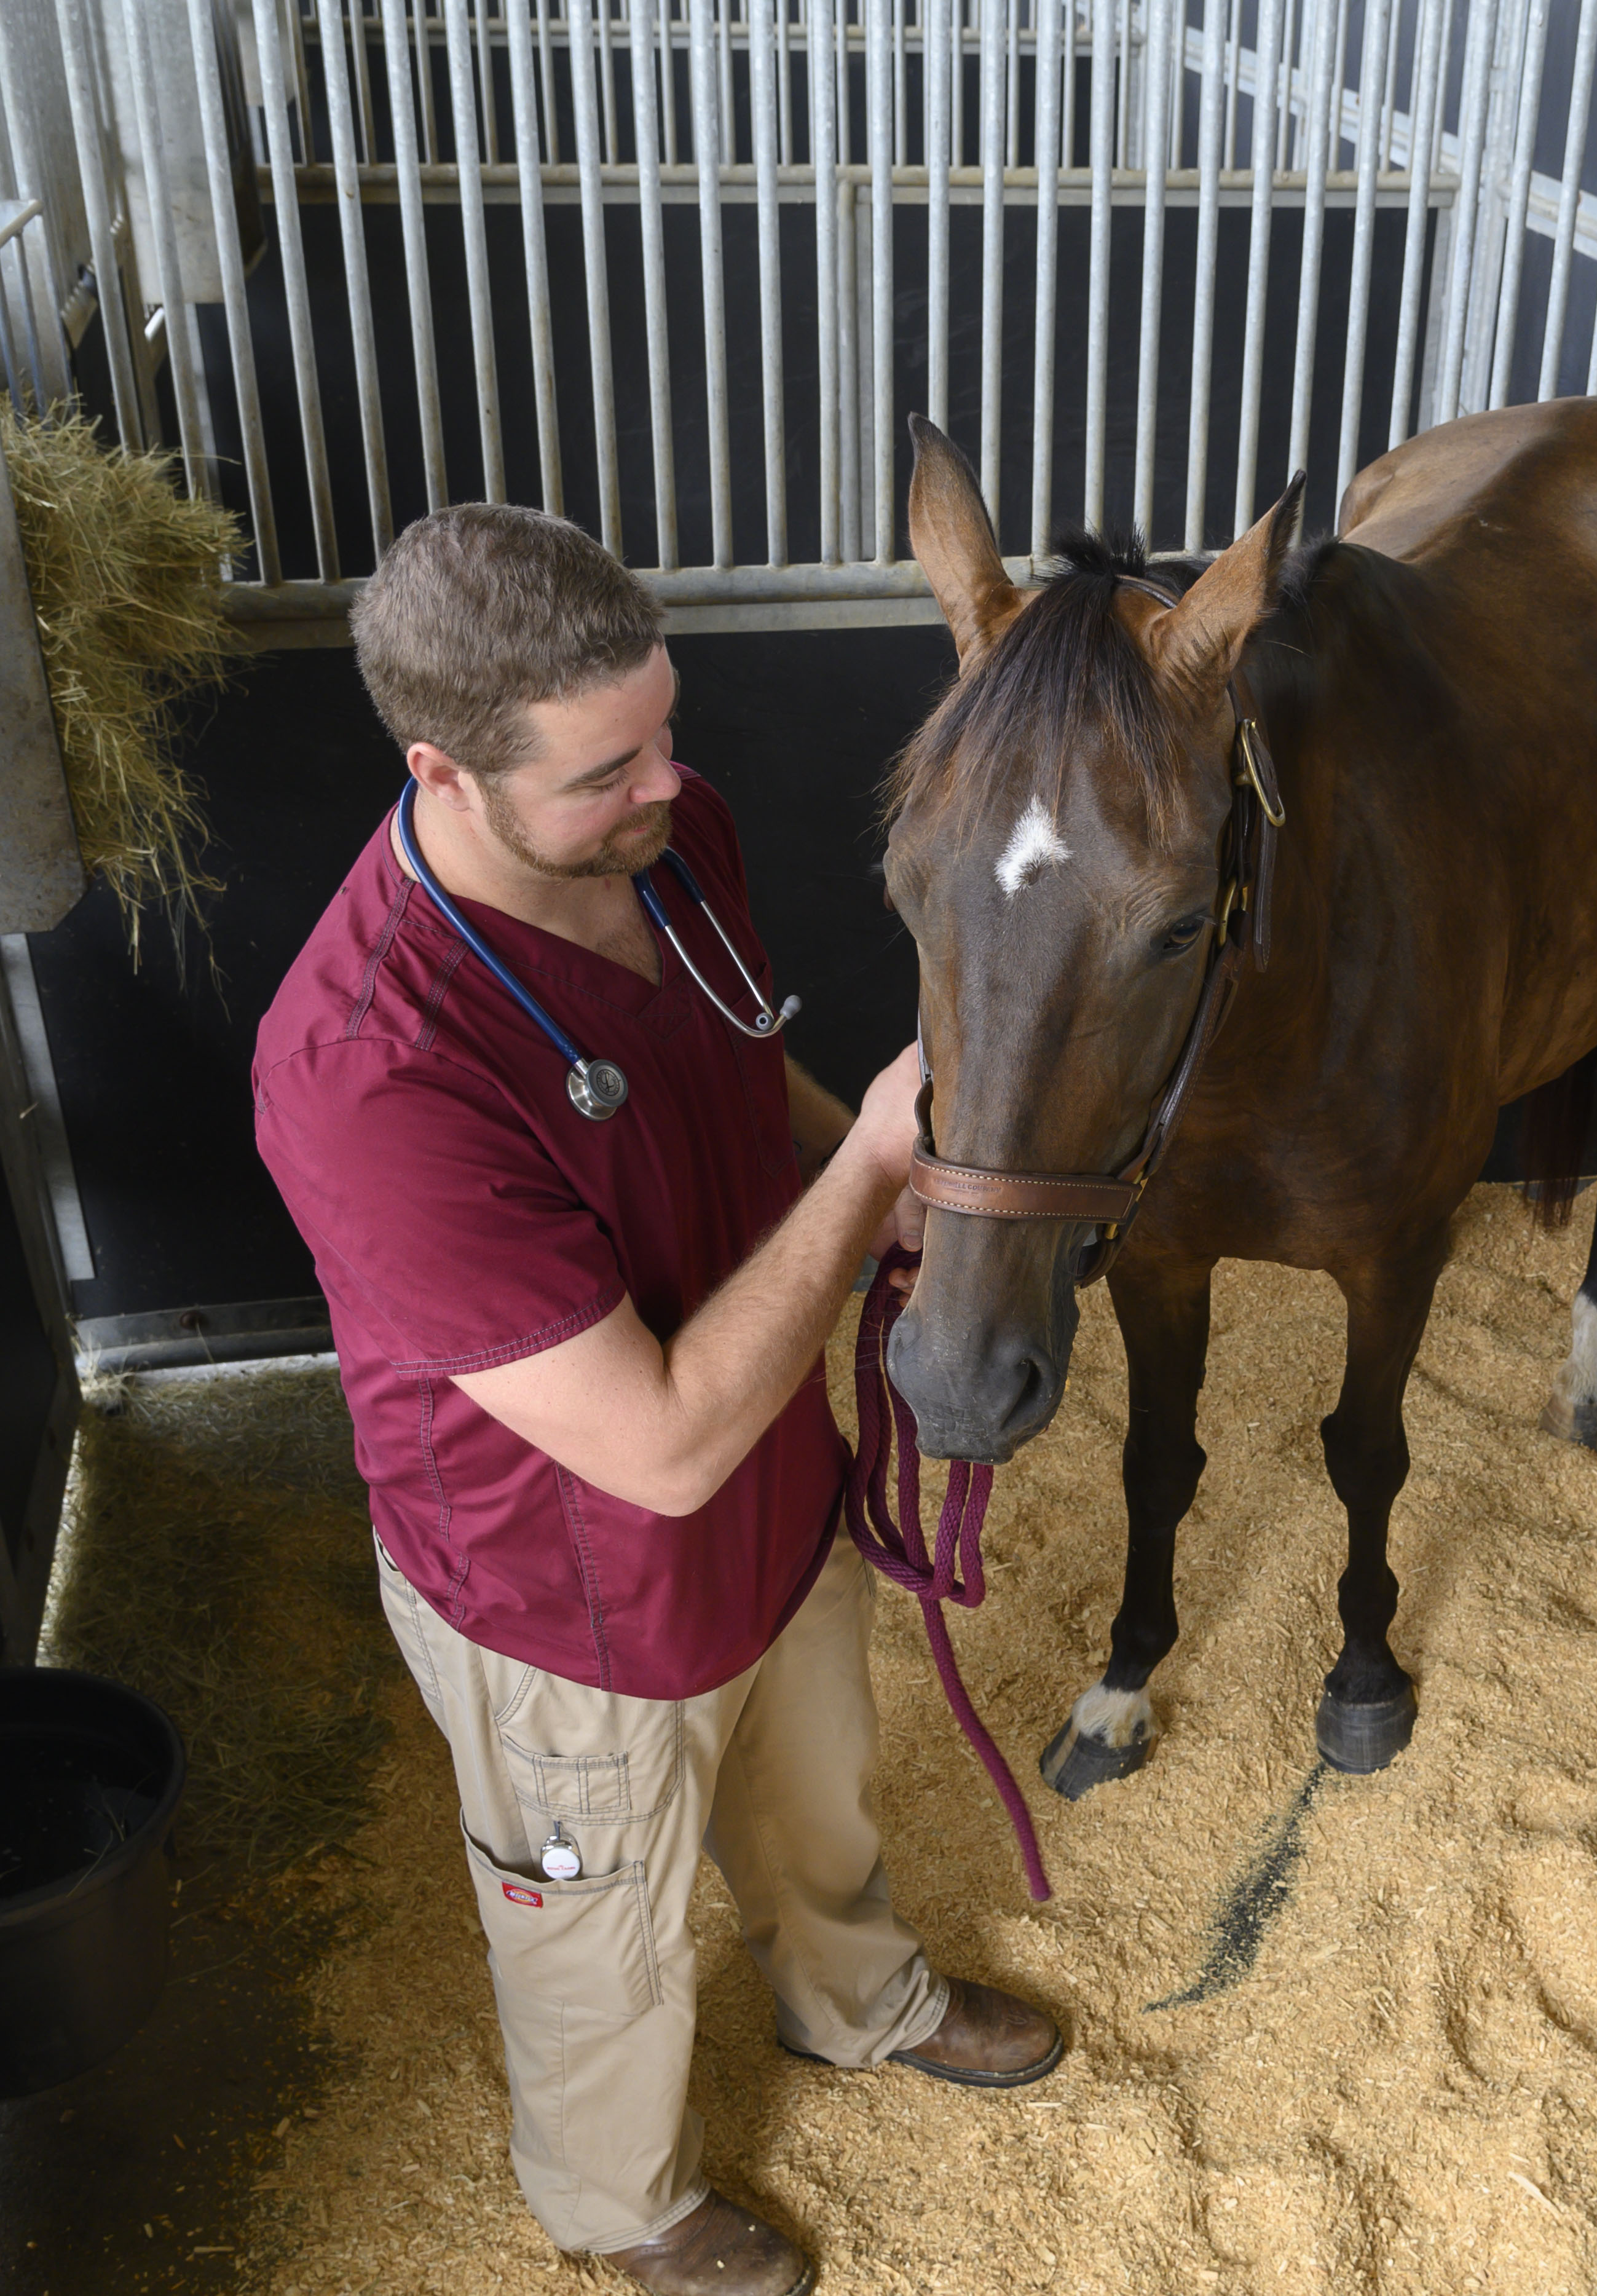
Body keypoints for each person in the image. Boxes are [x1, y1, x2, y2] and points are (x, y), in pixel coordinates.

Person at [252, 503, 1061, 2296]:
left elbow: (738, 1065)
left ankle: (855, 1999)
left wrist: (884, 1180)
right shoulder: (372, 1069)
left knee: (821, 1791)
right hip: (569, 1591)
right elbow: (656, 1448)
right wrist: (869, 1175)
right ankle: (620, 2203)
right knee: (592, 1929)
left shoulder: (666, 835)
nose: (669, 785)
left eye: (668, 729)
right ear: (441, 773)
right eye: (608, 769)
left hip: (773, 1478)